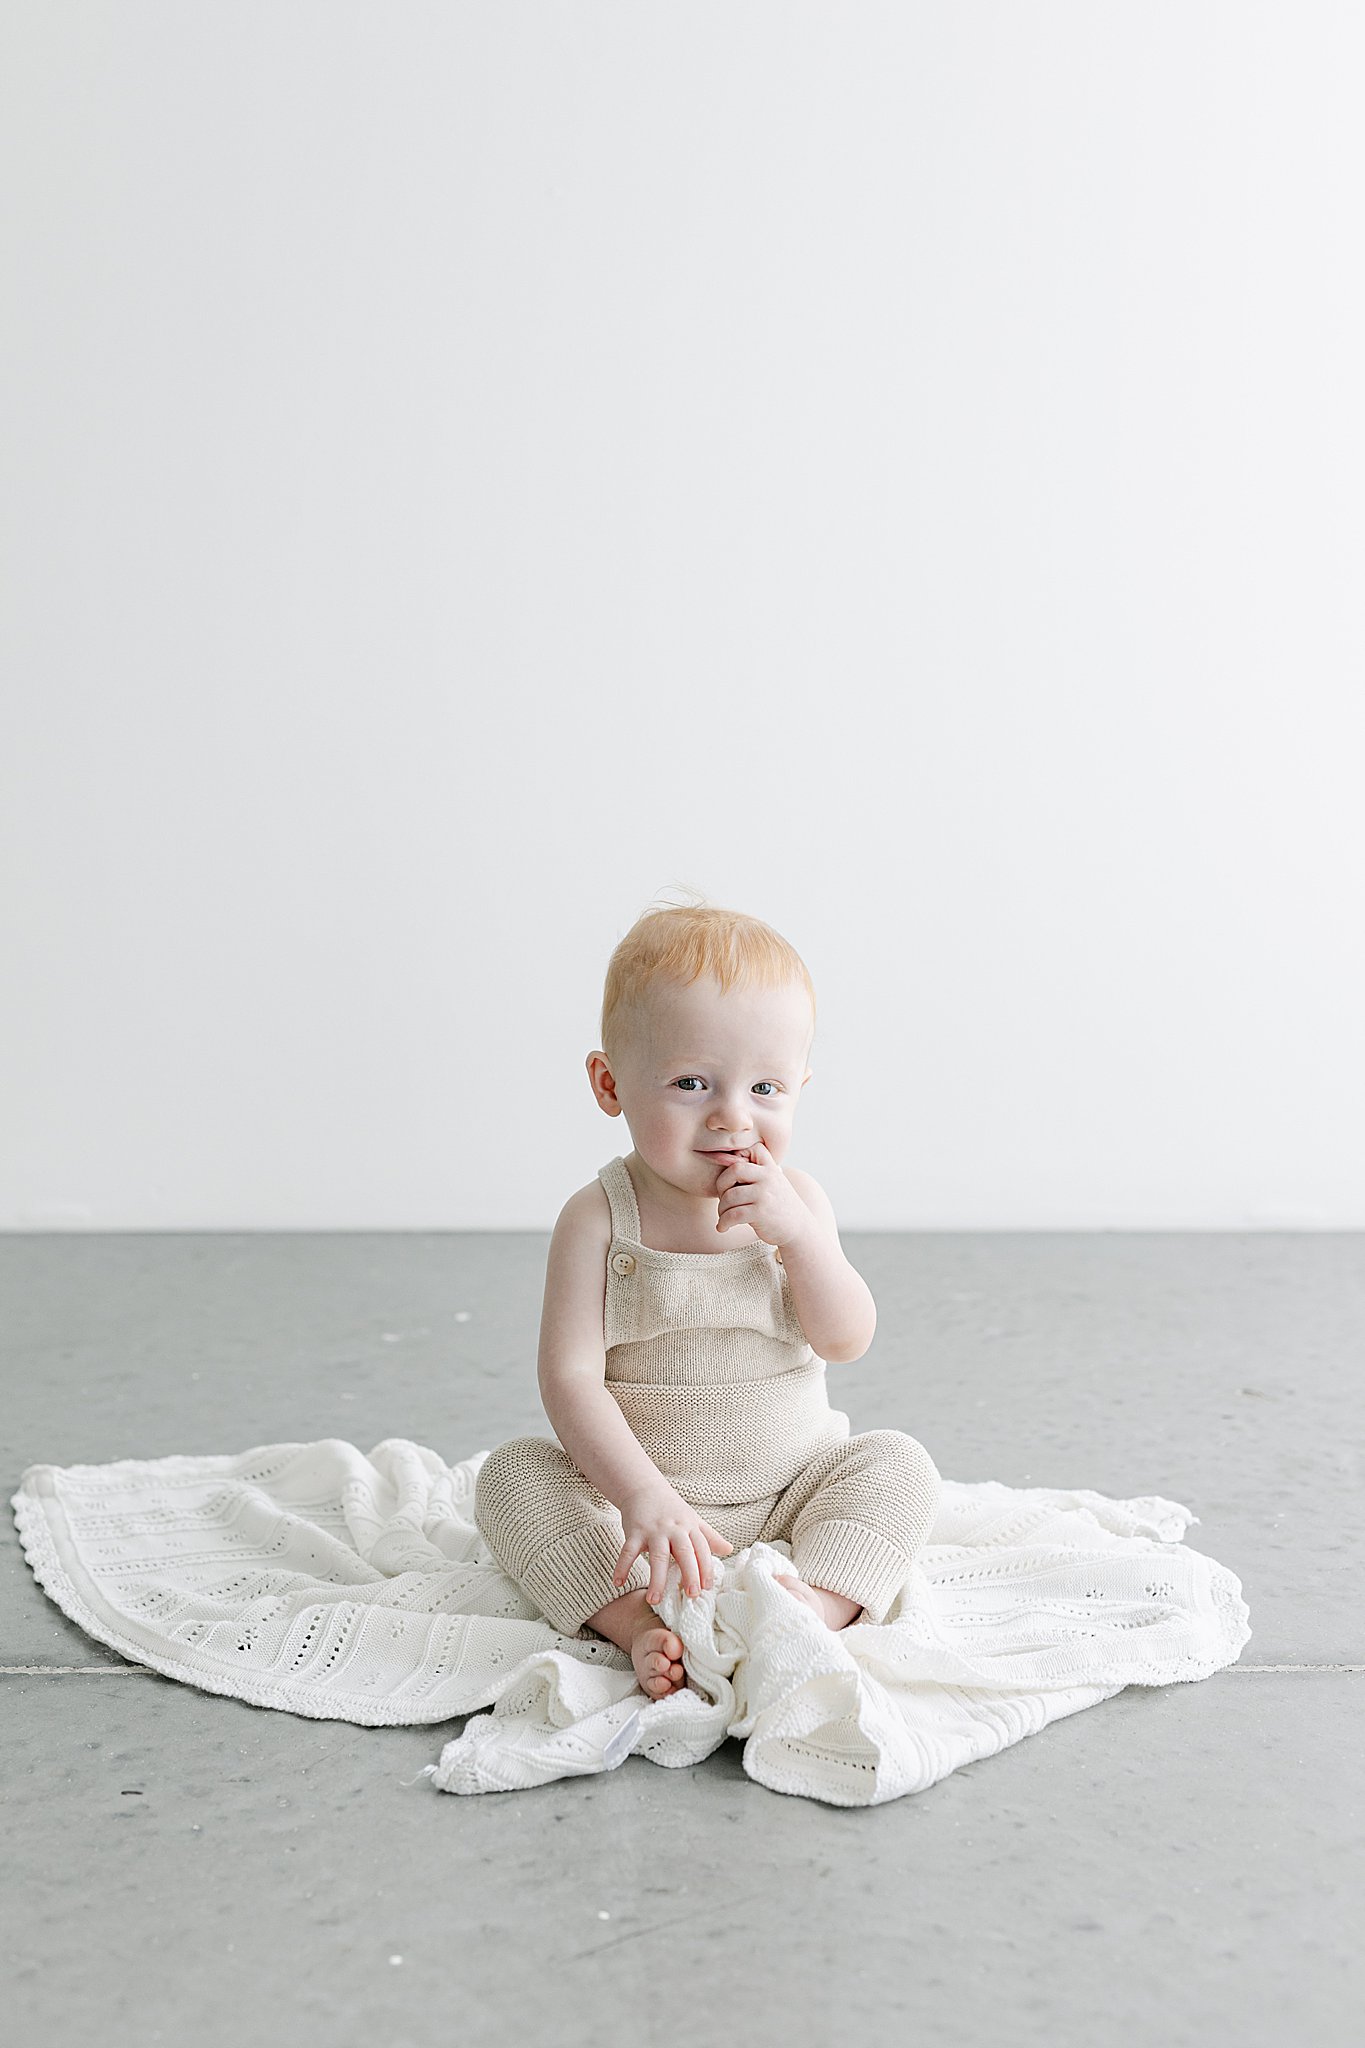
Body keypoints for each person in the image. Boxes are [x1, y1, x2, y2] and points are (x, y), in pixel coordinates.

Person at [474, 898, 942, 1703]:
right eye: (691, 1083)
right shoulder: (597, 1220)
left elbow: (845, 1339)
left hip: (794, 1480)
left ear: (799, 1086)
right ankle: (632, 1622)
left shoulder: (798, 1203)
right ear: (609, 1083)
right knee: (510, 1479)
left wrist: (800, 1240)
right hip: (636, 1498)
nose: (732, 1117)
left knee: (899, 1465)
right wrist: (640, 1496)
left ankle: (816, 1604)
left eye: (765, 1087)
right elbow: (570, 1382)